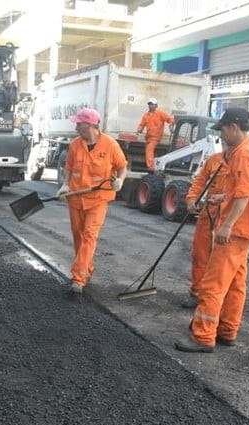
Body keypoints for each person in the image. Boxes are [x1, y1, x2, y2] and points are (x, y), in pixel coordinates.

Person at [174, 108, 249, 353]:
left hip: (235, 230)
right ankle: (227, 330)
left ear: (234, 127)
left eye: (223, 130)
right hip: (246, 229)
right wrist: (221, 198)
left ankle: (203, 336)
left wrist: (227, 225)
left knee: (213, 283)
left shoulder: (244, 154)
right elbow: (241, 191)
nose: (222, 136)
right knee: (236, 283)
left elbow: (245, 193)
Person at [56, 107, 128, 294]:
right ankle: (86, 268)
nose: (76, 127)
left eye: (79, 123)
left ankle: (78, 279)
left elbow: (122, 167)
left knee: (89, 235)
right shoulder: (75, 145)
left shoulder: (110, 145)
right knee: (78, 236)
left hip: (98, 199)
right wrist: (65, 184)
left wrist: (119, 180)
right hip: (76, 198)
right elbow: (69, 167)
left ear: (89, 125)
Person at [182, 146, 229, 309]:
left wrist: (222, 198)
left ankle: (217, 298)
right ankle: (196, 292)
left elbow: (244, 192)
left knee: (222, 261)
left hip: (229, 217)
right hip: (209, 212)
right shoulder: (214, 160)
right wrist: (192, 198)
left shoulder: (243, 161)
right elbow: (200, 181)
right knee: (199, 254)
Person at [136, 98, 175, 170]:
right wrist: (139, 129)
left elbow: (170, 119)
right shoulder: (146, 115)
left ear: (156, 106)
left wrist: (171, 125)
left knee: (149, 150)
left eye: (152, 104)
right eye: (149, 104)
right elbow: (141, 124)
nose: (150, 106)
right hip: (148, 138)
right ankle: (153, 166)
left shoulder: (160, 113)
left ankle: (151, 168)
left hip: (156, 137)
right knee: (148, 152)